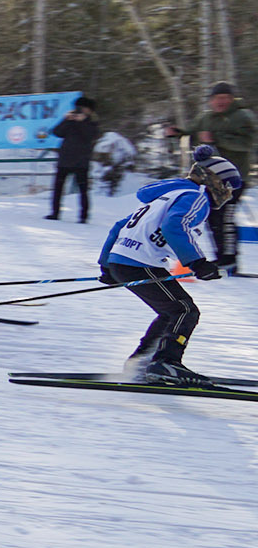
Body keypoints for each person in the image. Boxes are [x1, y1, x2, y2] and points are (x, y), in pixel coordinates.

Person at [97, 152, 240, 383]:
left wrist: (107, 266)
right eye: (228, 186)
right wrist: (197, 262)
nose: (229, 193)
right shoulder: (197, 197)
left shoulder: (167, 195)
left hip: (126, 260)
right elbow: (174, 225)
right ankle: (166, 363)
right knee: (185, 310)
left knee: (171, 311)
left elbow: (119, 226)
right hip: (141, 263)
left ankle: (142, 363)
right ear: (214, 180)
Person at [165, 82, 255, 274]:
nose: (220, 102)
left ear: (231, 100)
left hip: (234, 177)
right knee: (212, 217)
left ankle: (228, 258)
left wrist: (216, 140)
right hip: (213, 179)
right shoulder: (206, 117)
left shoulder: (242, 116)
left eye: (224, 98)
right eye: (216, 99)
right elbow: (190, 131)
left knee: (226, 217)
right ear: (211, 101)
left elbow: (246, 144)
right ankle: (224, 257)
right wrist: (177, 133)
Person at [46, 96, 99, 222]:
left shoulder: (92, 123)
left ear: (89, 110)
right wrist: (65, 120)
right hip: (65, 160)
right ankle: (55, 212)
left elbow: (90, 136)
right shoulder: (70, 121)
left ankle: (84, 216)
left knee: (83, 190)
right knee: (58, 188)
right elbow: (57, 132)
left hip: (81, 161)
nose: (81, 110)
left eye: (84, 108)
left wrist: (82, 122)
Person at [95, 131, 137, 196]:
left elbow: (130, 153)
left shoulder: (121, 143)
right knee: (109, 177)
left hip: (120, 164)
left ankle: (113, 193)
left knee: (115, 178)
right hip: (115, 164)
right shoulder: (118, 143)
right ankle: (108, 192)